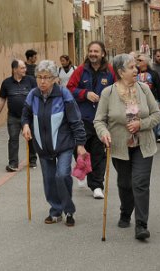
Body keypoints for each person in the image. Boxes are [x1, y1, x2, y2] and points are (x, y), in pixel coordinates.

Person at [93, 53, 160, 240]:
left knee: (140, 183)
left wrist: (142, 124)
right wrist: (104, 133)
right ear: (120, 72)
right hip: (119, 147)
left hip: (143, 145)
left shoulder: (144, 89)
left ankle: (141, 225)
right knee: (125, 184)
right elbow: (99, 121)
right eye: (131, 67)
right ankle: (125, 211)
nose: (136, 70)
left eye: (135, 66)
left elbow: (157, 115)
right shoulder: (108, 93)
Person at [21, 60, 87, 226]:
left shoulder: (64, 95)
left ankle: (68, 210)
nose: (42, 81)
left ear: (55, 79)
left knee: (62, 175)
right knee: (49, 180)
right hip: (43, 146)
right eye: (39, 77)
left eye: (46, 77)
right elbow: (25, 115)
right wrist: (26, 125)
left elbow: (76, 121)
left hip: (63, 144)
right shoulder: (33, 95)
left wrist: (80, 144)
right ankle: (55, 210)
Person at [67, 41, 116, 199]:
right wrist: (84, 94)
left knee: (98, 153)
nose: (93, 54)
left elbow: (118, 88)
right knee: (80, 150)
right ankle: (83, 170)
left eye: (96, 51)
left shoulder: (110, 71)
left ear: (103, 54)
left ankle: (97, 185)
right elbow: (69, 89)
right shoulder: (81, 70)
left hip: (101, 120)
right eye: (91, 51)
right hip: (82, 119)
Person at [0, 59, 38, 172]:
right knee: (13, 139)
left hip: (28, 117)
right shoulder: (6, 83)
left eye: (25, 67)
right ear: (15, 70)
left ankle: (32, 160)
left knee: (31, 138)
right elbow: (1, 99)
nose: (25, 70)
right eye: (22, 68)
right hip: (13, 117)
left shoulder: (30, 80)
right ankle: (13, 163)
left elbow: (37, 97)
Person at [136, 53, 160, 142]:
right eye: (138, 60)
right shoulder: (135, 73)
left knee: (157, 113)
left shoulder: (153, 74)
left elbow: (159, 87)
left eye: (140, 60)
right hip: (139, 100)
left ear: (146, 62)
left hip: (152, 99)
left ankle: (159, 133)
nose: (138, 62)